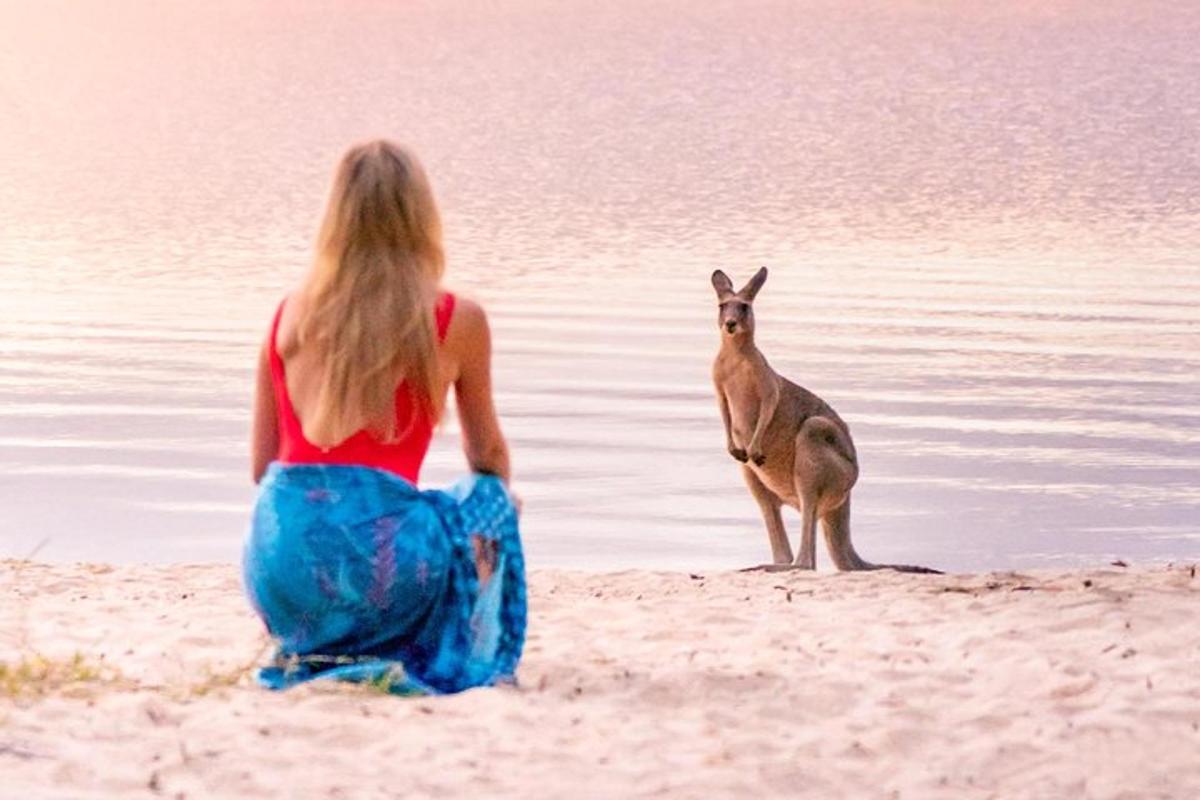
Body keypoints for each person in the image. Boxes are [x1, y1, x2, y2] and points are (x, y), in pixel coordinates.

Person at [243, 140, 525, 694]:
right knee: (493, 500)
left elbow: (262, 465)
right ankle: (463, 646)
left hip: (281, 574)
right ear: (421, 216)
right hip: (390, 575)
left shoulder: (287, 314)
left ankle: (320, 639)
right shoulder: (457, 319)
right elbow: (486, 457)